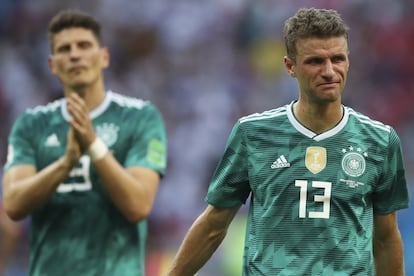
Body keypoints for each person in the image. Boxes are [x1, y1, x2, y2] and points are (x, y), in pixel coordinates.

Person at [167, 7, 409, 276]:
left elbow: (386, 238)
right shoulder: (253, 134)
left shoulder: (380, 141)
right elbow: (214, 225)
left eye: (338, 59)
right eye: (315, 61)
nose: (329, 71)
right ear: (290, 66)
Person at [2, 9, 167, 276]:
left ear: (104, 57)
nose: (75, 54)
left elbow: (138, 205)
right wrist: (65, 164)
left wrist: (93, 144)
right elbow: (13, 204)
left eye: (84, 45)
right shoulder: (31, 125)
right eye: (64, 49)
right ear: (52, 64)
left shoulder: (140, 118)